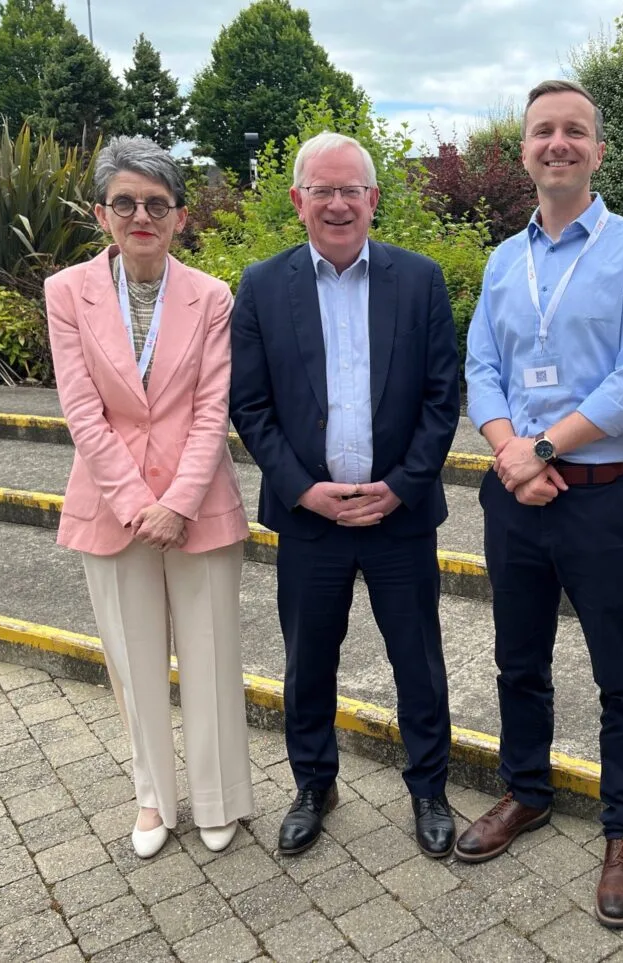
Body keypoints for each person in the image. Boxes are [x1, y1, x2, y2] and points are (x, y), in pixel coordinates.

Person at [459, 79, 623, 929]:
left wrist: (542, 448)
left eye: (574, 131)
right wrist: (511, 453)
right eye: (543, 130)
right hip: (514, 497)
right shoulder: (502, 261)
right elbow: (482, 368)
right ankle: (528, 790)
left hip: (599, 498)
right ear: (524, 151)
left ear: (598, 151)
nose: (558, 143)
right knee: (518, 659)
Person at [228, 132, 460, 860]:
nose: (337, 204)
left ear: (373, 199)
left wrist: (400, 487)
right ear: (297, 200)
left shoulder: (418, 280)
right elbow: (250, 405)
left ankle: (429, 789)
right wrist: (303, 491)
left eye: (350, 190)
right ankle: (313, 785)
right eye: (322, 190)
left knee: (417, 661)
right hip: (311, 520)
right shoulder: (262, 285)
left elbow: (441, 398)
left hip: (399, 516)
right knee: (308, 663)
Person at [46, 135, 255, 859]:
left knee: (211, 654)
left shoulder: (212, 296)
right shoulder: (66, 293)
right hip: (112, 507)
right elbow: (82, 411)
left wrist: (179, 501)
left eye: (157, 204)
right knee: (132, 665)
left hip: (200, 504)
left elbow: (212, 409)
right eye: (126, 202)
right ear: (101, 213)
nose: (142, 216)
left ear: (179, 217)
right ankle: (152, 798)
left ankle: (220, 796)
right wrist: (139, 504)